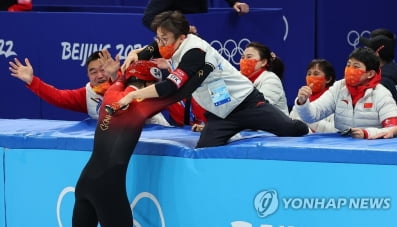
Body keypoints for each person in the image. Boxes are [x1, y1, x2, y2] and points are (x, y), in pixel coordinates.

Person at [114, 11, 309, 148]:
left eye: (164, 38)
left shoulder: (195, 52)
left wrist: (132, 96)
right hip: (220, 112)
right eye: (158, 38)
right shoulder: (175, 42)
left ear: (182, 37)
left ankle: (306, 127)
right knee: (206, 147)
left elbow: (169, 87)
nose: (160, 43)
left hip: (246, 103)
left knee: (290, 130)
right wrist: (137, 54)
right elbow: (156, 46)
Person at [72, 59, 178, 227]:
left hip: (84, 182)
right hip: (108, 189)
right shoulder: (143, 105)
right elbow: (180, 90)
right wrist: (204, 67)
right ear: (148, 84)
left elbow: (122, 79)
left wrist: (126, 69)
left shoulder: (111, 93)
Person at [8, 50, 171, 126]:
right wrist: (32, 81)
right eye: (93, 72)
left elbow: (123, 95)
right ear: (87, 76)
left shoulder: (130, 79)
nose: (99, 75)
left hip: (155, 131)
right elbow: (58, 97)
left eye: (103, 70)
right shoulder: (87, 94)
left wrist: (115, 76)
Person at [294, 47, 397, 139]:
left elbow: (392, 129)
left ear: (370, 74)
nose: (350, 70)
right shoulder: (339, 88)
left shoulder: (381, 94)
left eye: (356, 66)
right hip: (342, 147)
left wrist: (366, 133)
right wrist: (302, 103)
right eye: (348, 65)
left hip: (372, 147)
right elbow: (312, 115)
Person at [239, 41, 289, 115]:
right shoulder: (237, 77)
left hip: (273, 125)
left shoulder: (272, 79)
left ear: (263, 62)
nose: (244, 60)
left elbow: (260, 108)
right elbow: (220, 103)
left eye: (249, 57)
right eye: (243, 57)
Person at [290, 59, 338, 133]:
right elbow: (291, 122)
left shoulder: (334, 98)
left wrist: (306, 118)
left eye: (316, 74)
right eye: (309, 74)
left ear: (328, 79)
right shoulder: (302, 98)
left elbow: (334, 130)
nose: (311, 77)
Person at [142, 0, 250, 31]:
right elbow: (148, 18)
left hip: (200, 37)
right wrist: (177, 30)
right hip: (177, 43)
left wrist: (234, 2)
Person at [360, 28, 397, 109]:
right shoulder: (396, 71)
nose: (364, 53)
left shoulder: (379, 82)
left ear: (377, 54)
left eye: (368, 49)